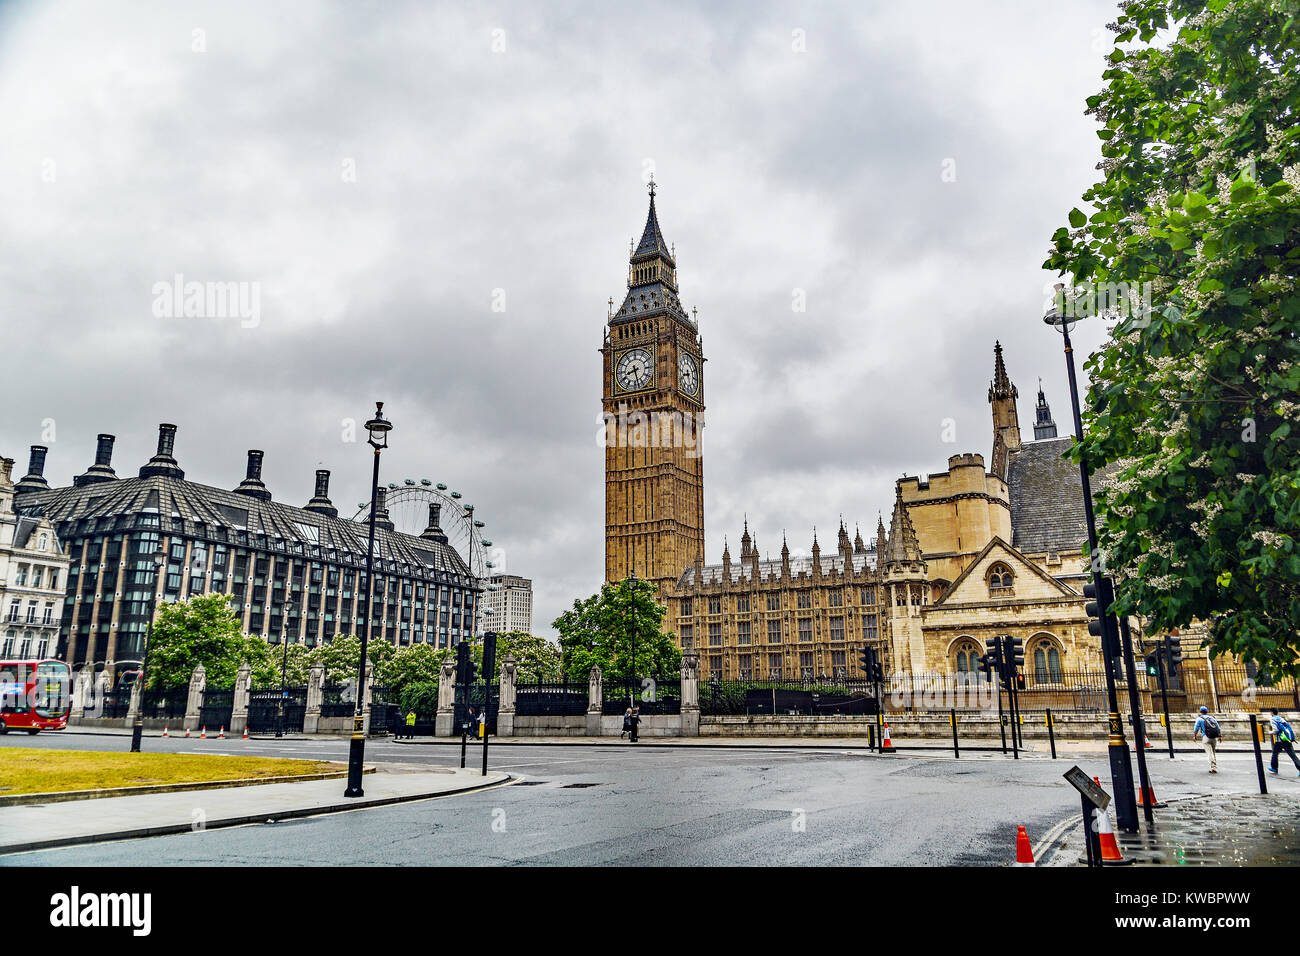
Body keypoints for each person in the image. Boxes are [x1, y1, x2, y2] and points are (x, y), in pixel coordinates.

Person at [1266, 708, 1300, 777]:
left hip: (1279, 740)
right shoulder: (1281, 719)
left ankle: (1274, 768)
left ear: (1272, 713)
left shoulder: (1272, 719)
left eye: (1270, 712)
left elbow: (1276, 730)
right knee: (1293, 755)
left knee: (1275, 753)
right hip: (1286, 739)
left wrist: (1269, 732)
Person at [1193, 705, 1222, 773]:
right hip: (1214, 737)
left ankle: (1213, 767)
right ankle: (1214, 766)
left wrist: (1195, 736)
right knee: (1213, 752)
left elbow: (1196, 729)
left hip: (1206, 737)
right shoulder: (1212, 718)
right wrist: (1220, 737)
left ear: (1200, 711)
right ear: (1207, 711)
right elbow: (1218, 728)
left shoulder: (1199, 719)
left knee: (1209, 753)